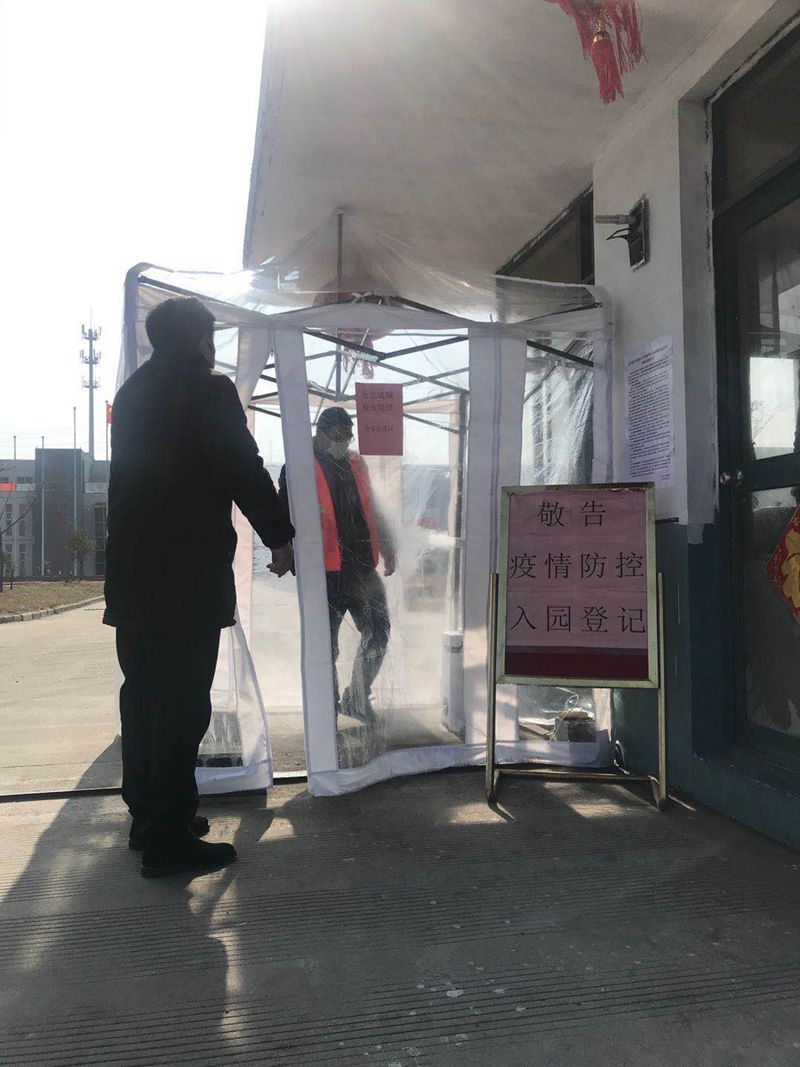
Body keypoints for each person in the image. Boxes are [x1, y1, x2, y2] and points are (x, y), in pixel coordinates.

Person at [104, 297, 294, 878]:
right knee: (181, 708)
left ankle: (149, 820)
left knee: (143, 700)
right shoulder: (207, 390)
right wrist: (279, 534)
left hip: (132, 577)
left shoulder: (133, 393)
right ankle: (167, 844)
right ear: (202, 339)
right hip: (184, 578)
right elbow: (241, 466)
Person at [280, 407, 395, 723]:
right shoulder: (298, 466)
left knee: (379, 630)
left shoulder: (357, 463)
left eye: (348, 436)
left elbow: (372, 506)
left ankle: (357, 698)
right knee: (325, 647)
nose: (343, 441)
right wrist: (283, 551)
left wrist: (387, 544)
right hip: (322, 573)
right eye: (338, 435)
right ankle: (326, 712)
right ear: (320, 433)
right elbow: (282, 515)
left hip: (361, 568)